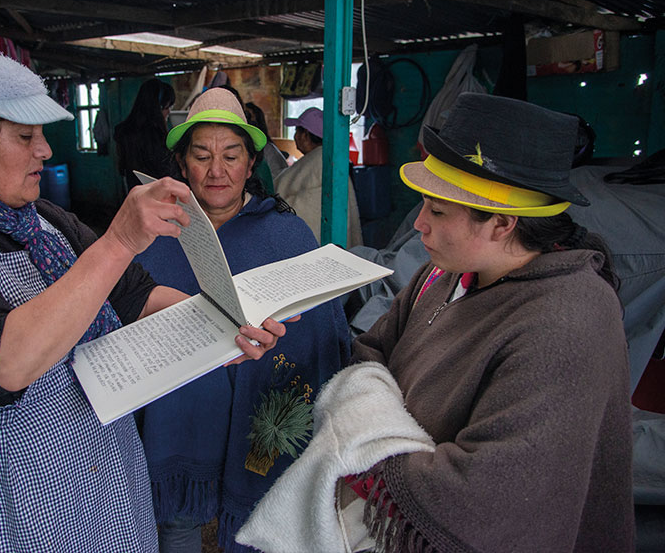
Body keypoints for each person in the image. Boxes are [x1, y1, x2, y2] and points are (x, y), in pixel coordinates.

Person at [0, 54, 287, 553]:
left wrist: (224, 325)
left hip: (105, 476)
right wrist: (117, 242)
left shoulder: (43, 221)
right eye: (25, 137)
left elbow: (135, 294)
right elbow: (3, 361)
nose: (44, 150)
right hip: (13, 499)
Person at [237, 93, 634, 552]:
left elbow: (483, 501)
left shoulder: (565, 325)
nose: (419, 225)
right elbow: (372, 350)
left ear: (503, 223)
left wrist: (365, 444)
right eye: (423, 205)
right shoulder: (446, 275)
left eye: (439, 211)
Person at [134, 88, 352, 553]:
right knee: (176, 522)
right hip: (181, 414)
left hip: (257, 411)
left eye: (232, 156)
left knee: (254, 522)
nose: (217, 171)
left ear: (252, 165)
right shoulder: (155, 235)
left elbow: (322, 331)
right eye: (201, 155)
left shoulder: (285, 233)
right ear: (181, 163)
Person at [274, 106, 364, 248]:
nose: (295, 136)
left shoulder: (319, 162)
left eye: (297, 131)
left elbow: (307, 210)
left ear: (305, 135)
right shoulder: (328, 160)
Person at [114, 77, 177, 191]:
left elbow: (122, 169)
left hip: (134, 193)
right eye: (167, 107)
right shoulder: (155, 137)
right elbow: (167, 173)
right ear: (157, 108)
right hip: (158, 198)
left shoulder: (124, 132)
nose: (168, 112)